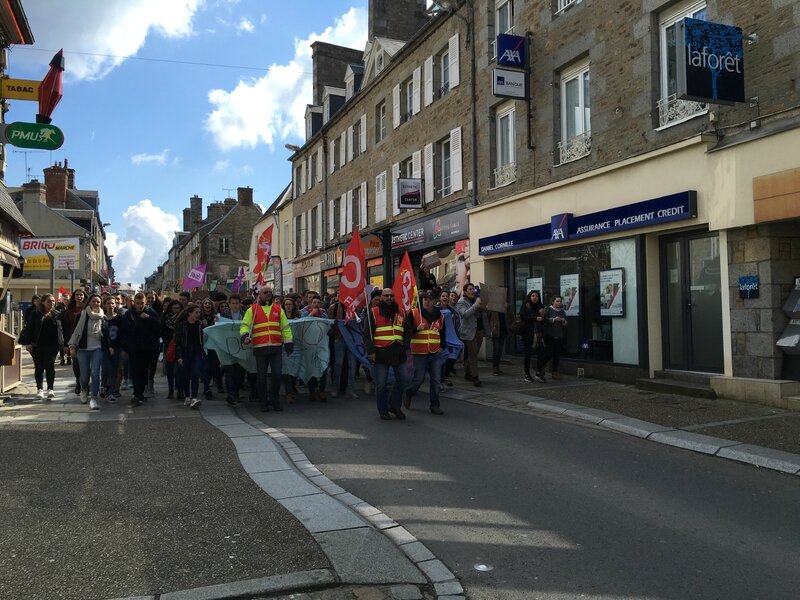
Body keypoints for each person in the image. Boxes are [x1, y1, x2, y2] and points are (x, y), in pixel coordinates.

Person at [240, 286, 293, 412]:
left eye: (270, 292)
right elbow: (244, 326)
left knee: (276, 375)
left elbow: (285, 328)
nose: (269, 294)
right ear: (259, 295)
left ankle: (274, 400)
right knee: (262, 377)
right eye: (266, 292)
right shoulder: (252, 310)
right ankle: (263, 402)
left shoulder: (278, 309)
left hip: (276, 348)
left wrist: (289, 342)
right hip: (260, 348)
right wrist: (245, 336)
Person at [363, 288, 409, 421]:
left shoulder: (401, 312)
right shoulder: (373, 312)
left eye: (391, 295)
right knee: (381, 384)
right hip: (380, 353)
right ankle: (383, 409)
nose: (389, 297)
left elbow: (408, 330)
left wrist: (405, 345)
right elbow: (367, 334)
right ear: (381, 297)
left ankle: (395, 406)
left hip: (398, 353)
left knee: (404, 380)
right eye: (386, 295)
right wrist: (370, 351)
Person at [405, 290, 446, 415]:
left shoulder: (440, 315)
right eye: (425, 299)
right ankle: (409, 392)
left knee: (436, 380)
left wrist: (442, 346)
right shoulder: (414, 313)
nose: (427, 301)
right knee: (419, 379)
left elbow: (443, 333)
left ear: (435, 301)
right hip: (419, 352)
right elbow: (406, 332)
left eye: (430, 299)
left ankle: (435, 405)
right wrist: (416, 329)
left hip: (435, 353)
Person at [68, 294, 108, 410]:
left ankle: (94, 398)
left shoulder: (102, 317)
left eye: (98, 302)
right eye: (94, 301)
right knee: (84, 375)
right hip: (83, 348)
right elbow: (75, 331)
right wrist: (72, 346)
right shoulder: (82, 315)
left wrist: (109, 346)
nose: (96, 304)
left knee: (95, 373)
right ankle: (84, 389)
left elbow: (105, 334)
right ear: (89, 302)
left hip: (98, 348)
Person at [120, 292, 161, 407]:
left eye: (142, 303)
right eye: (137, 303)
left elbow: (158, 328)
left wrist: (149, 319)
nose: (140, 305)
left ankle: (141, 393)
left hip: (147, 348)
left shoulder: (151, 313)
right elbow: (123, 332)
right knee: (135, 371)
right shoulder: (129, 314)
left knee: (143, 372)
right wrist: (126, 346)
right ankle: (137, 394)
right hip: (134, 349)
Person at [25, 294, 63, 400]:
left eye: (53, 301)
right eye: (49, 301)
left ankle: (50, 389)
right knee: (39, 366)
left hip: (52, 345)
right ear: (43, 302)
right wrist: (28, 343)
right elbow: (28, 329)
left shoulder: (57, 314)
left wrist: (64, 345)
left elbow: (61, 331)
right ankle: (40, 389)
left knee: (50, 366)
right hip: (37, 345)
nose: (51, 303)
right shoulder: (35, 314)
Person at [455, 283, 490, 387]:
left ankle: (467, 373)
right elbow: (465, 314)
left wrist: (484, 305)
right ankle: (475, 377)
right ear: (465, 291)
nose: (472, 291)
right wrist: (476, 305)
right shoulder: (461, 302)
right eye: (470, 289)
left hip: (479, 330)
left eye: (473, 289)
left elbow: (483, 312)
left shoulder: (475, 299)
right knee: (473, 355)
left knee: (473, 354)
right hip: (469, 332)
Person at [174, 303, 205, 409]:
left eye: (199, 312)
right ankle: (187, 395)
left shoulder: (200, 325)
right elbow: (177, 342)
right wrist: (179, 356)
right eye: (196, 312)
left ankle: (194, 397)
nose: (198, 314)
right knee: (186, 376)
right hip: (185, 352)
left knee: (195, 374)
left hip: (196, 352)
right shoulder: (181, 325)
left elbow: (204, 338)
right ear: (189, 313)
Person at [303, 294, 329, 402]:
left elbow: (329, 325)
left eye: (318, 302)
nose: (316, 304)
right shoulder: (304, 312)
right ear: (310, 303)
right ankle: (312, 390)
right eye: (314, 302)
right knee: (311, 366)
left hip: (322, 343)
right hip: (309, 344)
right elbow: (302, 324)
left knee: (324, 365)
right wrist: (312, 314)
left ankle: (322, 390)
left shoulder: (323, 313)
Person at [536, 295, 568, 383]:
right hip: (549, 334)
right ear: (553, 302)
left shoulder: (562, 312)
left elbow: (566, 323)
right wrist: (554, 319)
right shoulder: (548, 309)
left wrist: (564, 322)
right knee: (549, 352)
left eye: (560, 301)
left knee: (557, 354)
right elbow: (543, 320)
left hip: (559, 335)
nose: (559, 303)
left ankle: (555, 372)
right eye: (557, 301)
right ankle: (542, 366)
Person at [60, 289, 87, 395]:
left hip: (86, 340)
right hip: (73, 341)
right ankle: (78, 382)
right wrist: (66, 344)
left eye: (81, 295)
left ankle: (85, 383)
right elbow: (65, 329)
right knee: (76, 363)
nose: (79, 296)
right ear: (74, 297)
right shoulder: (69, 310)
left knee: (86, 365)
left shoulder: (88, 309)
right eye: (77, 295)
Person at [222, 294, 246, 406]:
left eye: (237, 303)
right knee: (230, 371)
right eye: (233, 303)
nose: (235, 305)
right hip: (228, 346)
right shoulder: (224, 315)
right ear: (229, 304)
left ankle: (236, 392)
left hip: (241, 347)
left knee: (240, 373)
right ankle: (231, 394)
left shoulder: (245, 314)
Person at [101, 295, 124, 403]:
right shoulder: (102, 318)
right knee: (106, 368)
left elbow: (122, 334)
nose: (110, 305)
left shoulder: (119, 318)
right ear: (104, 305)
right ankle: (104, 386)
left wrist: (120, 347)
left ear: (116, 305)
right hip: (104, 347)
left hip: (117, 347)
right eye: (108, 303)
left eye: (112, 303)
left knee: (114, 369)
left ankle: (111, 392)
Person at [519, 290, 544, 383]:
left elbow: (543, 321)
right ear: (530, 296)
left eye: (536, 296)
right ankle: (527, 374)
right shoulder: (526, 305)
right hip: (527, 332)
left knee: (541, 351)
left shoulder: (540, 306)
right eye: (533, 296)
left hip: (538, 333)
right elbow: (523, 317)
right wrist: (535, 318)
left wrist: (542, 316)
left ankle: (538, 373)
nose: (535, 297)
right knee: (528, 353)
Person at [280, 296, 301, 403]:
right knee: (286, 370)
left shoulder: (299, 316)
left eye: (290, 304)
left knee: (295, 370)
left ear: (293, 306)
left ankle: (292, 388)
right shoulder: (279, 317)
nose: (288, 306)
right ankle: (289, 393)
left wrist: (299, 322)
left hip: (296, 346)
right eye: (286, 304)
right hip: (284, 346)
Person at [161, 299, 182, 399]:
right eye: (174, 308)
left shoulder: (183, 318)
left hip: (180, 346)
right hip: (169, 345)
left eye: (178, 308)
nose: (176, 310)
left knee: (179, 368)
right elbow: (163, 331)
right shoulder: (166, 318)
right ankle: (170, 390)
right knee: (170, 369)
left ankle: (178, 387)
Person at [489, 298, 514, 375]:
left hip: (503, 330)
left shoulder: (506, 306)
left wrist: (508, 308)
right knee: (496, 349)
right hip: (496, 330)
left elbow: (511, 317)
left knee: (500, 350)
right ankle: (495, 367)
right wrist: (491, 329)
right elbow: (488, 317)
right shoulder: (493, 306)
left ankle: (497, 367)